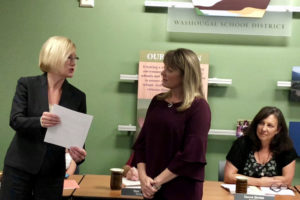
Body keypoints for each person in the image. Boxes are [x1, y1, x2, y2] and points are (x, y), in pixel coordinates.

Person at [0, 36, 87, 200]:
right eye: (69, 57)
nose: (73, 62)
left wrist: (79, 155)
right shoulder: (27, 84)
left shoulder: (78, 97)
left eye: (75, 58)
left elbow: (78, 141)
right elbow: (15, 120)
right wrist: (39, 121)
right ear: (54, 57)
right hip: (20, 168)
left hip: (52, 174)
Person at [133, 48, 211, 200]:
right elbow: (141, 143)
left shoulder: (199, 107)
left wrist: (157, 181)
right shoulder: (157, 101)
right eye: (164, 67)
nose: (163, 73)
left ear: (185, 75)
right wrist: (143, 178)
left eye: (169, 69)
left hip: (181, 189)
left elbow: (191, 155)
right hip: (151, 188)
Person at [224, 106, 297, 187]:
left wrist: (244, 179)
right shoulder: (242, 143)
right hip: (243, 195)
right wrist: (259, 182)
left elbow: (286, 181)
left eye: (270, 125)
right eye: (261, 123)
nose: (264, 129)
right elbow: (228, 177)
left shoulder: (286, 148)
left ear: (278, 130)